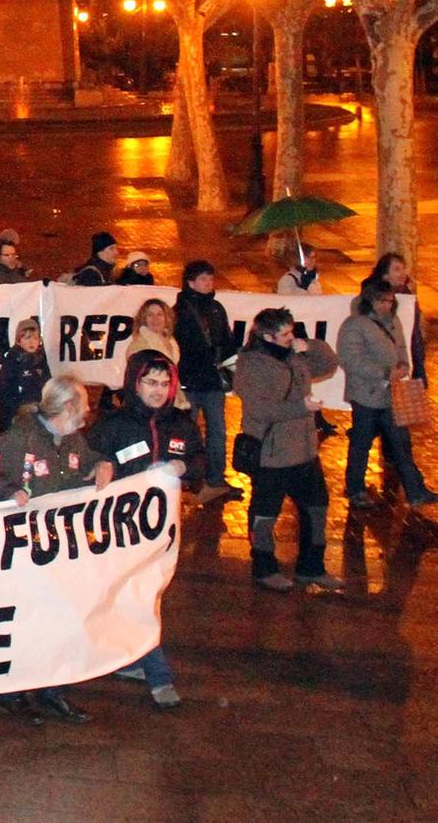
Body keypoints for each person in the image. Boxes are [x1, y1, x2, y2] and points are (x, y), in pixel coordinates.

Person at [0, 375, 110, 724]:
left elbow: (86, 461)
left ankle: (52, 688)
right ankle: (13, 692)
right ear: (68, 406)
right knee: (25, 621)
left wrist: (100, 464)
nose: (88, 411)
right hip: (23, 552)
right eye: (83, 404)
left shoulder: (72, 440)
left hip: (59, 550)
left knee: (60, 619)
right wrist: (9, 493)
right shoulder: (18, 440)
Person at [90, 350, 201, 710]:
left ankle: (130, 656)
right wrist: (101, 465)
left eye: (165, 383)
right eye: (150, 382)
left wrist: (184, 467)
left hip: (162, 533)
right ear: (134, 384)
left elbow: (201, 461)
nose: (158, 390)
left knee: (141, 597)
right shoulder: (114, 425)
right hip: (121, 532)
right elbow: (87, 460)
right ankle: (159, 675)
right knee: (138, 598)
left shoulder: (182, 424)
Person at [234, 308, 341, 592]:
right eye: (285, 334)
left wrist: (311, 346)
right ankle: (264, 569)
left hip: (305, 452)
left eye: (291, 331)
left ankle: (311, 567)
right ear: (267, 337)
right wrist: (301, 407)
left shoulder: (294, 355)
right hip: (272, 455)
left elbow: (329, 364)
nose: (290, 337)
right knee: (265, 515)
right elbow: (260, 410)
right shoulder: (251, 366)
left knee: (316, 508)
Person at [338, 279, 438, 507]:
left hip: (391, 394)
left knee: (401, 444)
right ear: (370, 300)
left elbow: (401, 347)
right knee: (361, 444)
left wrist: (403, 365)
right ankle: (355, 489)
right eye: (381, 301)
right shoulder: (354, 325)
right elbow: (350, 360)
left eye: (390, 301)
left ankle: (416, 490)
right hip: (366, 395)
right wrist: (384, 373)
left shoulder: (393, 320)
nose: (386, 305)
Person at [174, 261, 239, 501]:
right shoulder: (180, 311)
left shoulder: (216, 309)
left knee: (217, 432)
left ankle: (215, 478)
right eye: (203, 279)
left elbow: (226, 340)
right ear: (191, 282)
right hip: (189, 382)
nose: (208, 283)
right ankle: (184, 475)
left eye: (210, 279)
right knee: (185, 432)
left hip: (211, 382)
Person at [368, 252, 424, 380]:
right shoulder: (373, 297)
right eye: (397, 269)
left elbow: (414, 332)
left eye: (404, 268)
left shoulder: (406, 295)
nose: (403, 273)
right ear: (385, 275)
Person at [0, 317, 52, 431]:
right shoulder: (12, 361)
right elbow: (3, 393)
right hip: (16, 418)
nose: (32, 342)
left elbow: (48, 385)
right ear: (18, 340)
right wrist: (19, 409)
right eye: (27, 338)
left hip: (38, 415)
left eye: (35, 338)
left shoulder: (41, 360)